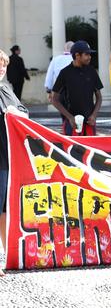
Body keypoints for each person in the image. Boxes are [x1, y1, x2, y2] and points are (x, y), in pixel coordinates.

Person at [0, 49, 29, 276]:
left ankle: (7, 255)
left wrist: (17, 114)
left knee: (5, 210)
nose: (1, 68)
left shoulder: (7, 89)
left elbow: (23, 111)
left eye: (3, 65)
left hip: (9, 158)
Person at [51, 41, 103, 136]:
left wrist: (94, 115)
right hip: (72, 124)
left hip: (89, 123)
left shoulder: (92, 71)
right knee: (72, 150)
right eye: (86, 54)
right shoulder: (65, 73)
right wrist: (70, 117)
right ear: (77, 55)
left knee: (91, 150)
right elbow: (54, 99)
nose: (89, 57)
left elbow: (99, 97)